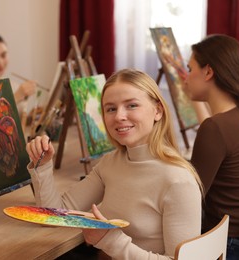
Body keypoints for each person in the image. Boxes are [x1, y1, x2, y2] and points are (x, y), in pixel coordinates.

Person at [26, 69, 203, 259]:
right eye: (111, 109)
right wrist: (43, 166)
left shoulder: (179, 181)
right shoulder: (111, 162)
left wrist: (110, 240)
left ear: (157, 111)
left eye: (132, 105)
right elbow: (53, 216)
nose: (119, 116)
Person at [185, 34, 239, 259]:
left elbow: (189, 196)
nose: (185, 78)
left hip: (228, 243)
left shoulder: (215, 127)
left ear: (208, 72)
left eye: (189, 68)